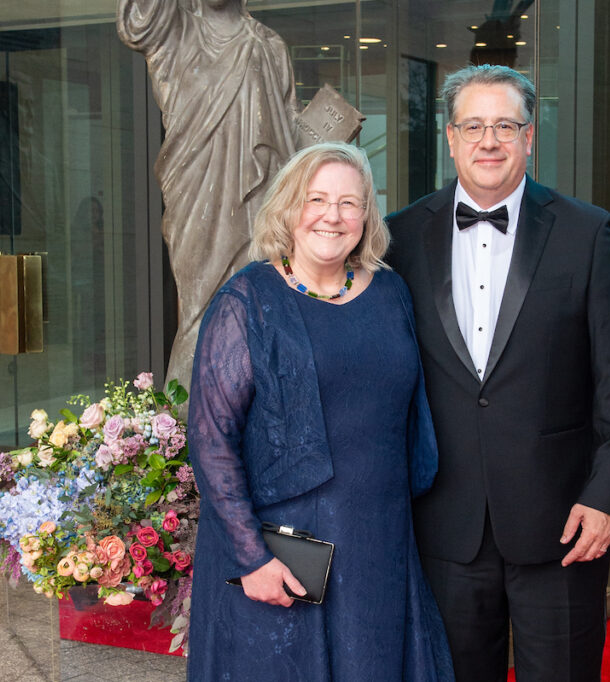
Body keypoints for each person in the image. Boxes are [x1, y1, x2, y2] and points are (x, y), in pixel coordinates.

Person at [386, 65, 610, 681]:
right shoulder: (398, 237)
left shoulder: (587, 233)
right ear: (450, 138)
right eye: (473, 125)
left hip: (562, 523)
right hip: (443, 525)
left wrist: (606, 496)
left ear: (530, 137)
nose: (489, 140)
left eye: (506, 125)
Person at [186, 142, 454, 680]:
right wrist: (250, 558)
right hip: (284, 551)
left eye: (349, 203)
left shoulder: (391, 293)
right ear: (288, 208)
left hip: (378, 539)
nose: (333, 216)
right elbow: (212, 440)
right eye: (317, 199)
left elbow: (409, 423)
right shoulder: (247, 300)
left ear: (366, 216)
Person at [118, 0, 300, 393]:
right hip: (195, 193)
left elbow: (291, 135)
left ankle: (255, 417)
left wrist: (327, 143)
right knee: (199, 308)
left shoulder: (268, 45)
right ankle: (181, 431)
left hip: (260, 201)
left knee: (257, 306)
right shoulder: (175, 31)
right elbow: (136, 24)